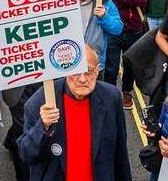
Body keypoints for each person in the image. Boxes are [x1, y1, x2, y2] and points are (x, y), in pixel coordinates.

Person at [18, 46, 132, 181]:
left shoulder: (111, 97)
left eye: (88, 71)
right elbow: (26, 154)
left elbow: (121, 155)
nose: (82, 79)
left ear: (97, 71)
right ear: (65, 71)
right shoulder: (40, 101)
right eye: (76, 72)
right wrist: (43, 127)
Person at [103, 0, 149, 109]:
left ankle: (126, 92)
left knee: (130, 65)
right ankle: (109, 94)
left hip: (133, 29)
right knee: (111, 67)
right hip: (113, 29)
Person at [79, 0, 122, 77]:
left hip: (95, 62)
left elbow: (118, 29)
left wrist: (104, 17)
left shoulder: (104, 1)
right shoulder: (62, 0)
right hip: (69, 61)